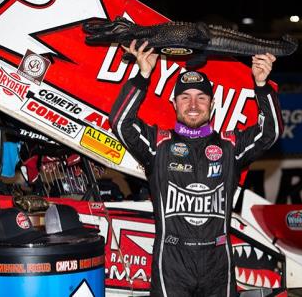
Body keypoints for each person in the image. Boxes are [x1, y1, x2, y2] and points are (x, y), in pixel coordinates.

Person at [109, 40, 283, 297]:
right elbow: (121, 122)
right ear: (174, 103)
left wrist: (261, 86)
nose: (193, 105)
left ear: (212, 105)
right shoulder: (158, 144)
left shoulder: (230, 145)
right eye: (185, 97)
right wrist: (143, 76)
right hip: (172, 261)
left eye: (201, 97)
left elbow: (271, 133)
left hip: (218, 261)